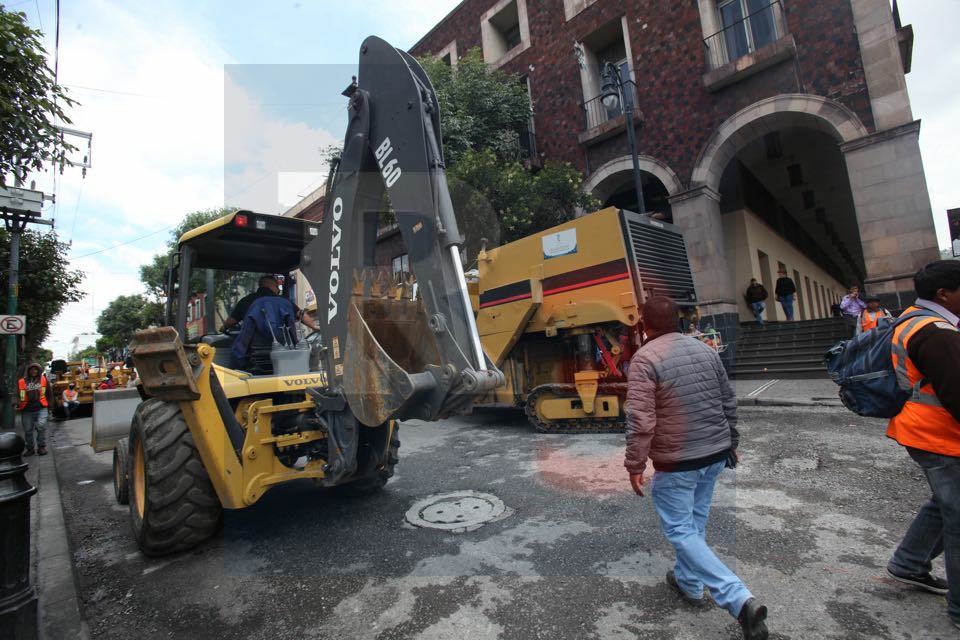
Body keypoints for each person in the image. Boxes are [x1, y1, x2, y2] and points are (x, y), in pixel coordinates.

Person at [624, 296, 768, 639]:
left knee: (681, 530)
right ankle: (689, 584)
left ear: (644, 325)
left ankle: (738, 599)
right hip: (714, 453)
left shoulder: (644, 359)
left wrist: (634, 463)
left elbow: (641, 420)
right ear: (677, 320)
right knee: (694, 523)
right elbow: (726, 399)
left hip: (678, 461)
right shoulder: (705, 350)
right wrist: (732, 442)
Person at [884, 260, 960, 631]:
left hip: (925, 431)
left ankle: (910, 562)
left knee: (944, 505)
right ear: (944, 294)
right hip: (939, 435)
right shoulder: (934, 331)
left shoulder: (916, 319)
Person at [222, 275, 320, 333]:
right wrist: (314, 326)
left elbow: (231, 322)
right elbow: (301, 314)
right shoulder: (284, 301)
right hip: (284, 348)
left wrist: (223, 327)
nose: (278, 290)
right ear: (270, 285)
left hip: (252, 351)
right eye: (277, 287)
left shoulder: (245, 301)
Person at [17, 363, 50, 456]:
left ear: (39, 371)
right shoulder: (21, 381)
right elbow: (16, 394)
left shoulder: (44, 380)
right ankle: (30, 449)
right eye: (32, 369)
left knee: (41, 426)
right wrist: (15, 402)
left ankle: (41, 447)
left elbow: (49, 393)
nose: (34, 371)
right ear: (28, 371)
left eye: (36, 369)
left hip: (41, 408)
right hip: (27, 409)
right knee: (28, 430)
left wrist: (51, 405)